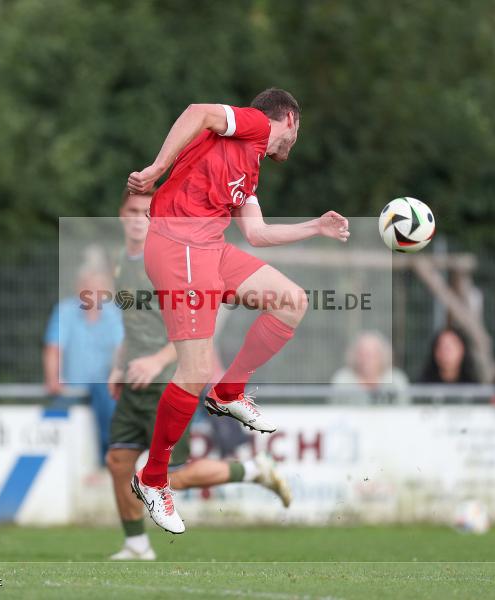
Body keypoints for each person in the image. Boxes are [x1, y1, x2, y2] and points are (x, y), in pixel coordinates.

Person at [126, 88, 350, 533]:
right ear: (290, 120)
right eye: (297, 132)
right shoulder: (257, 124)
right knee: (194, 369)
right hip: (180, 244)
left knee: (291, 301)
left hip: (209, 248)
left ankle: (228, 392)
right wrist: (156, 168)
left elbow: (257, 234)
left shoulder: (250, 164)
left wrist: (316, 227)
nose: (293, 143)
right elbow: (199, 111)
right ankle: (152, 479)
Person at [105, 188, 290, 560]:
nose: (139, 219)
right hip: (134, 382)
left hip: (168, 380)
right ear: (122, 215)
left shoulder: (167, 261)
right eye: (133, 211)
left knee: (170, 474)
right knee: (119, 462)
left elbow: (196, 330)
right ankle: (136, 545)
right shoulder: (121, 263)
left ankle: (253, 470)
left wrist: (156, 361)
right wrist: (117, 365)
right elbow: (134, 325)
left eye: (147, 212)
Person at [44, 266, 123, 464]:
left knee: (113, 416)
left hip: (104, 389)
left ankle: (107, 462)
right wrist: (53, 379)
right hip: (72, 388)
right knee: (54, 425)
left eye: (99, 289)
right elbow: (54, 349)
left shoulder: (113, 314)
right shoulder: (65, 311)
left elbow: (121, 351)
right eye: (89, 289)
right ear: (79, 289)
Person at [329, 331, 410, 404]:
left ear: (383, 356)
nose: (367, 359)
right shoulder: (342, 379)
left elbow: (405, 409)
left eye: (372, 354)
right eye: (362, 354)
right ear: (354, 356)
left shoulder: (396, 380)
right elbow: (334, 410)